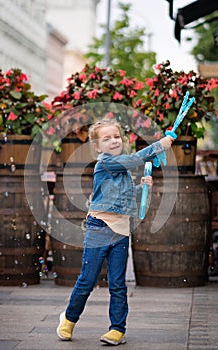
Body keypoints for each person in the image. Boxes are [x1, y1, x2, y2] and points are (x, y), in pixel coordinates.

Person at [56, 117, 173, 345]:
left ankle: (117, 329)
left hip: (120, 232)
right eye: (106, 138)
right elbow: (133, 159)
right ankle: (68, 319)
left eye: (117, 137)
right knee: (87, 280)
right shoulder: (106, 164)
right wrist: (160, 145)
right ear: (97, 147)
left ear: (123, 140)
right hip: (99, 228)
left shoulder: (124, 172)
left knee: (118, 284)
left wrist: (142, 188)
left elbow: (125, 198)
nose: (113, 141)